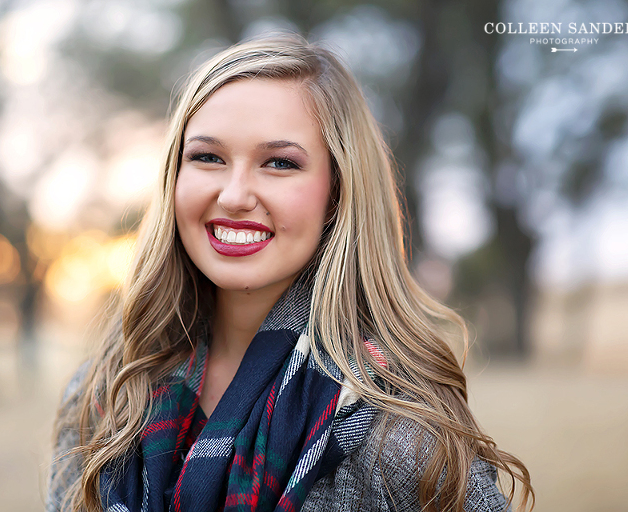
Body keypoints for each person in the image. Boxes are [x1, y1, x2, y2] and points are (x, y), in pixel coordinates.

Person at [47, 34, 534, 512]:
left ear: (337, 193)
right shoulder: (105, 396)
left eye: (279, 163)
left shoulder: (400, 431)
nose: (235, 195)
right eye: (207, 157)